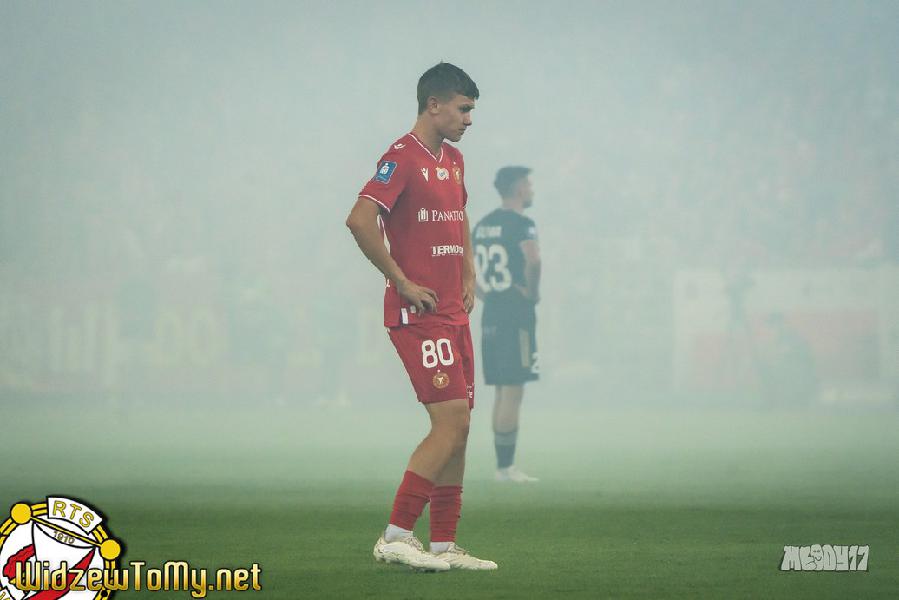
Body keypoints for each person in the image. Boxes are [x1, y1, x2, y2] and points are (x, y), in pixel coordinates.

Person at [345, 62, 496, 572]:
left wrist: (469, 270)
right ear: (434, 105)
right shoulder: (401, 157)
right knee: (449, 422)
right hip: (420, 313)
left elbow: (459, 215)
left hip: (453, 311)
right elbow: (360, 219)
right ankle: (394, 535)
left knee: (461, 428)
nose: (469, 119)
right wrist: (401, 281)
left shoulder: (453, 160)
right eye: (463, 109)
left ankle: (444, 544)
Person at [473, 166, 541, 483]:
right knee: (513, 390)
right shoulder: (523, 224)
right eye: (528, 184)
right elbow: (534, 259)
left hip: (492, 314)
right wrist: (532, 293)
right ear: (518, 188)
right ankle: (506, 468)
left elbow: (464, 268)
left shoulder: (483, 225)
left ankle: (503, 466)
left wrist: (486, 295)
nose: (532, 189)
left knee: (502, 391)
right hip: (515, 314)